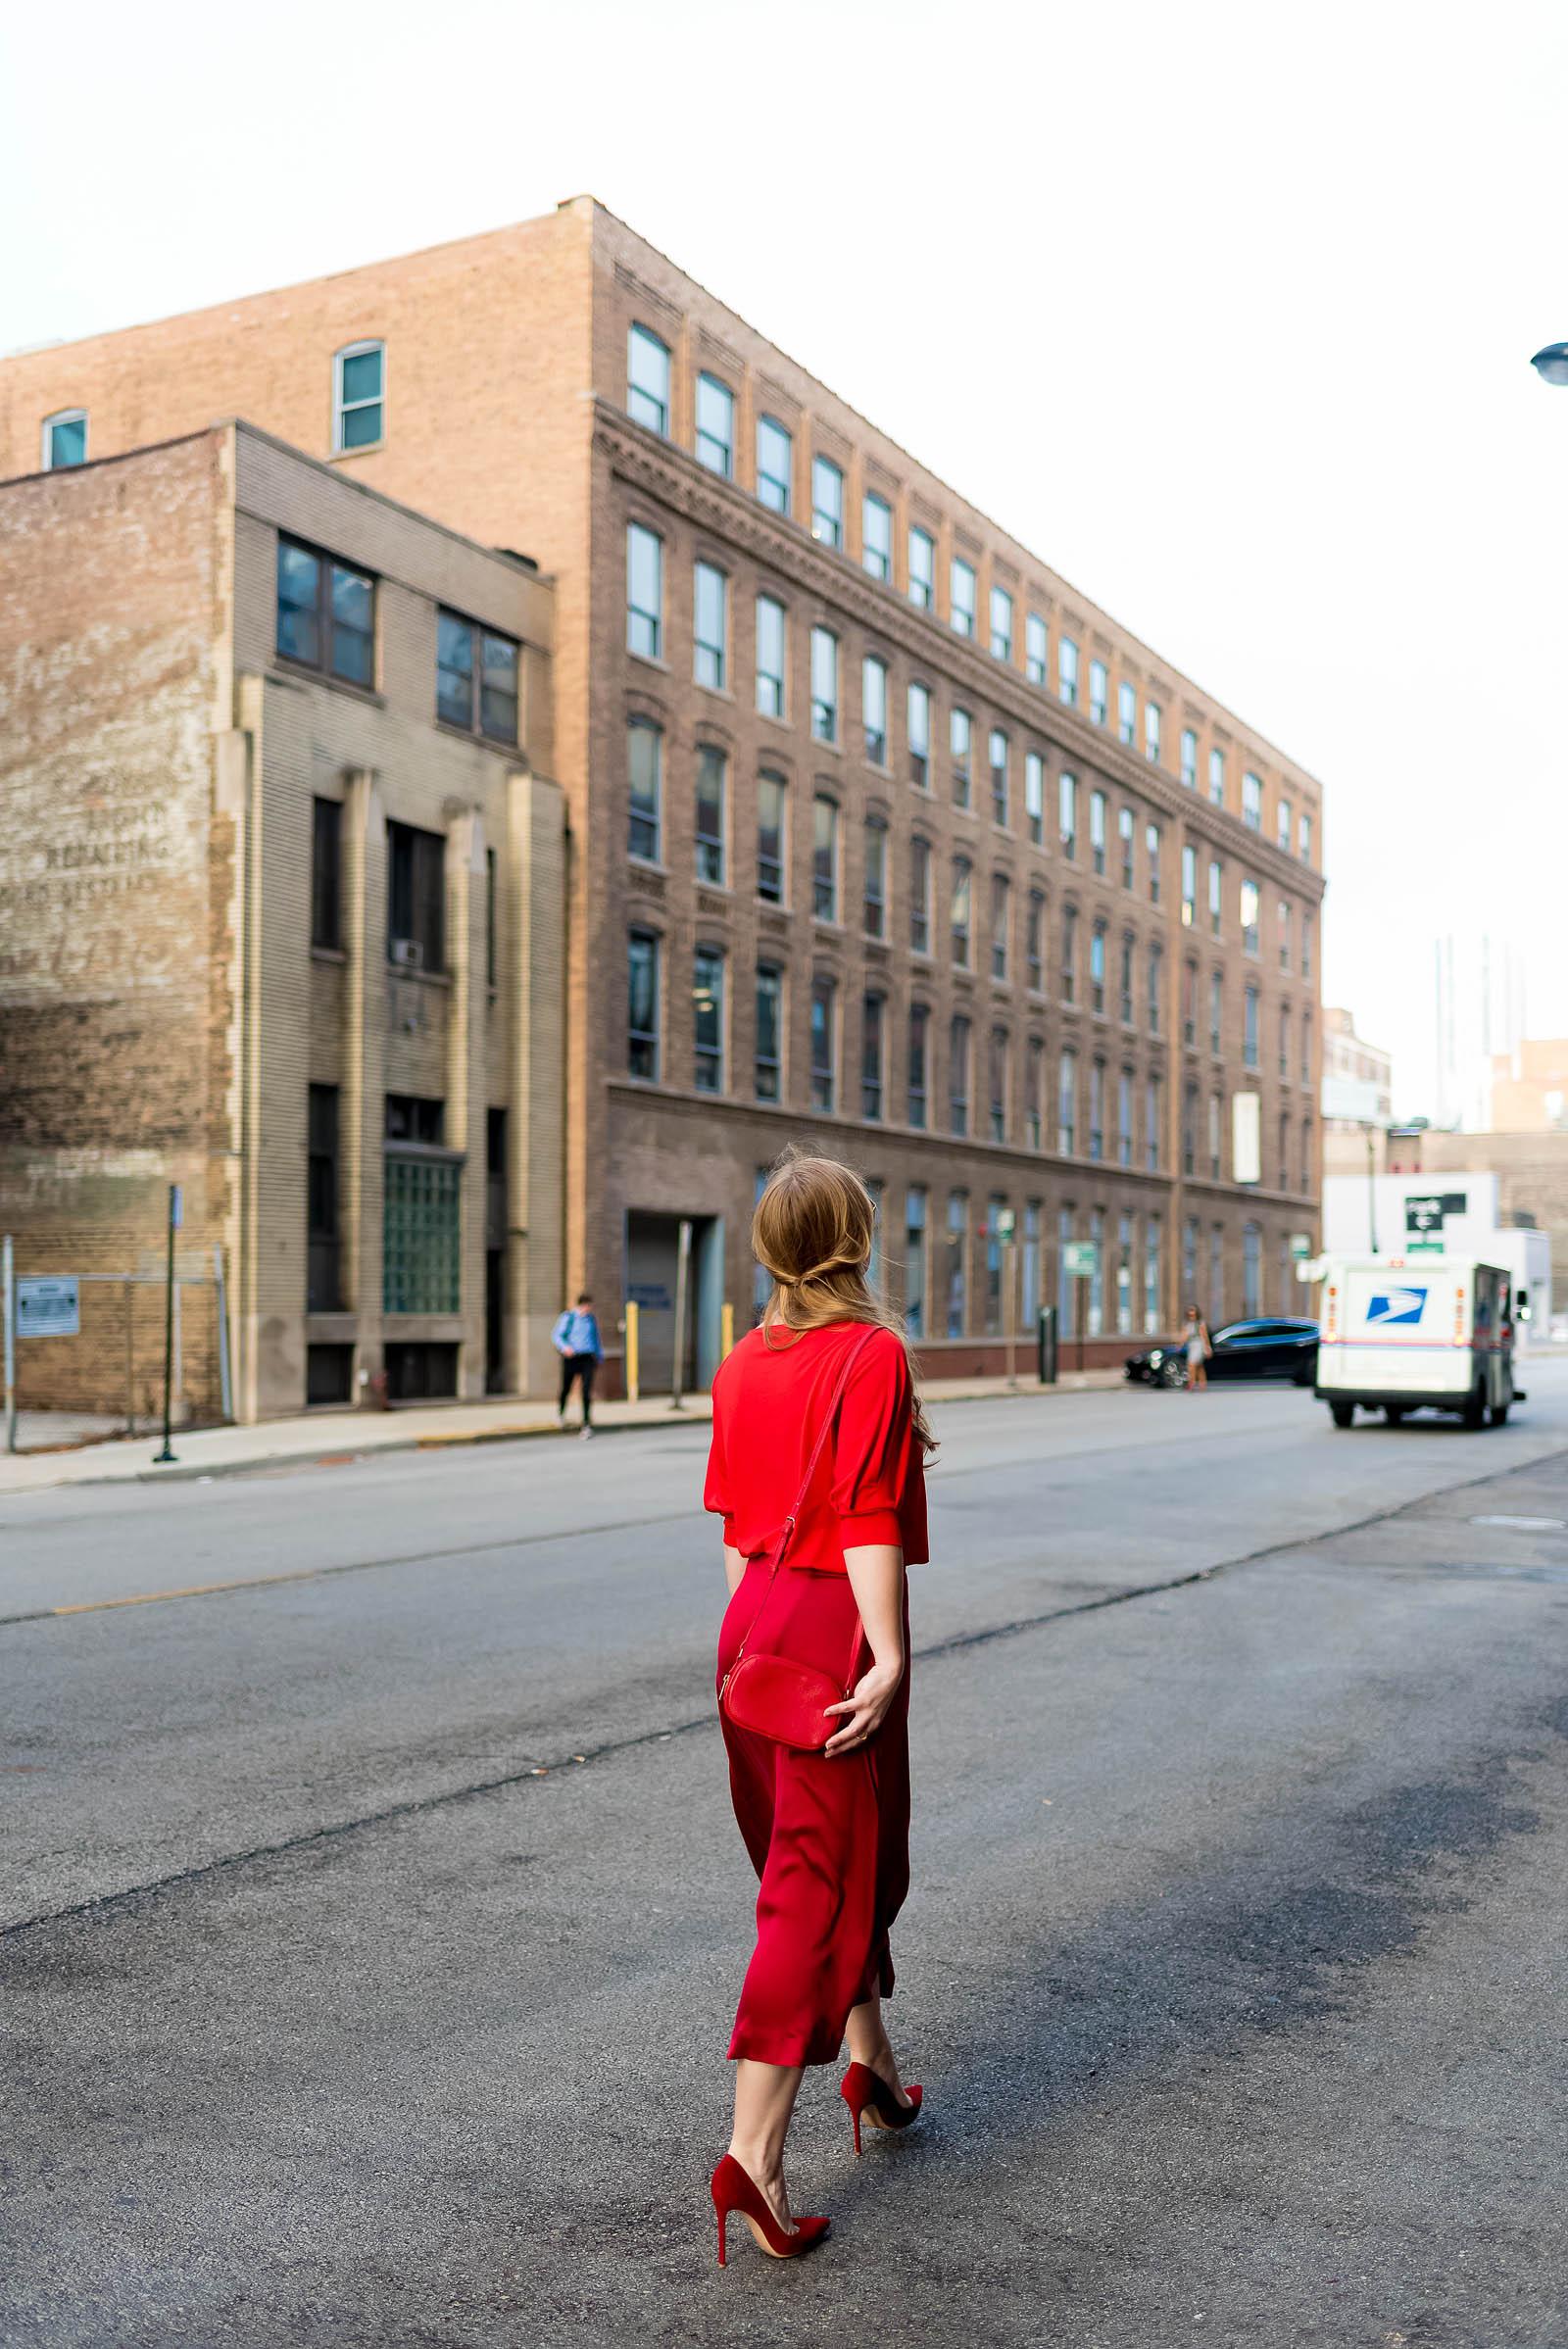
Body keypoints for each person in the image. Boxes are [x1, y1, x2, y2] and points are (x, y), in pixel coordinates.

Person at [704, 1149, 936, 2265]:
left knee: (852, 1862)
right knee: (811, 1889)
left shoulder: (741, 1361)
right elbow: (865, 1516)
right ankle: (753, 2159)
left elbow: (733, 1523)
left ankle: (873, 2067)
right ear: (856, 1237)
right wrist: (885, 1653)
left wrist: (744, 1653)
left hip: (749, 1628)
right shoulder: (871, 1353)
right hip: (830, 1633)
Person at [552, 1293, 603, 1437]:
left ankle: (586, 1423)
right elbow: (556, 1335)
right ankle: (560, 1414)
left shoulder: (591, 1319)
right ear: (582, 1305)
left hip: (588, 1357)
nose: (589, 1309)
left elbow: (595, 1338)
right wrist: (565, 1347)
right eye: (588, 1306)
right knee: (566, 1388)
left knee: (586, 1391)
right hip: (572, 1357)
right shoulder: (569, 1317)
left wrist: (599, 1357)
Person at [1182, 1303, 1212, 1392]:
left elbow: (1204, 1335)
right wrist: (1180, 1343)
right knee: (1199, 1366)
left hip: (1199, 1344)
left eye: (1193, 1310)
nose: (1191, 1312)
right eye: (1190, 1310)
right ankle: (1203, 1384)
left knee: (1192, 1364)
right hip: (1191, 1345)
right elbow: (1185, 1334)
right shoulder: (1187, 1323)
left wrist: (1207, 1347)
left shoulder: (1200, 1322)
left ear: (1196, 1312)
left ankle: (1191, 1383)